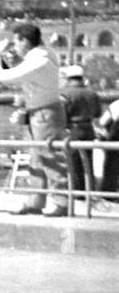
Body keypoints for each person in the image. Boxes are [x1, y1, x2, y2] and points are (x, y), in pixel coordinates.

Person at [0, 24, 67, 216]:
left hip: (44, 113)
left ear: (25, 41)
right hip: (40, 112)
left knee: (50, 156)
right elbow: (25, 71)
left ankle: (62, 202)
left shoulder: (39, 62)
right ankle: (36, 200)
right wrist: (16, 59)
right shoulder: (44, 55)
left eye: (16, 41)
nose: (14, 46)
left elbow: (0, 77)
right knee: (36, 159)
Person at [59, 64, 101, 205]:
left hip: (72, 129)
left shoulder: (64, 93)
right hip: (88, 129)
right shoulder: (92, 93)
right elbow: (98, 113)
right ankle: (89, 191)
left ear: (69, 78)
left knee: (73, 163)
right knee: (88, 162)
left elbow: (62, 114)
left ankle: (77, 193)